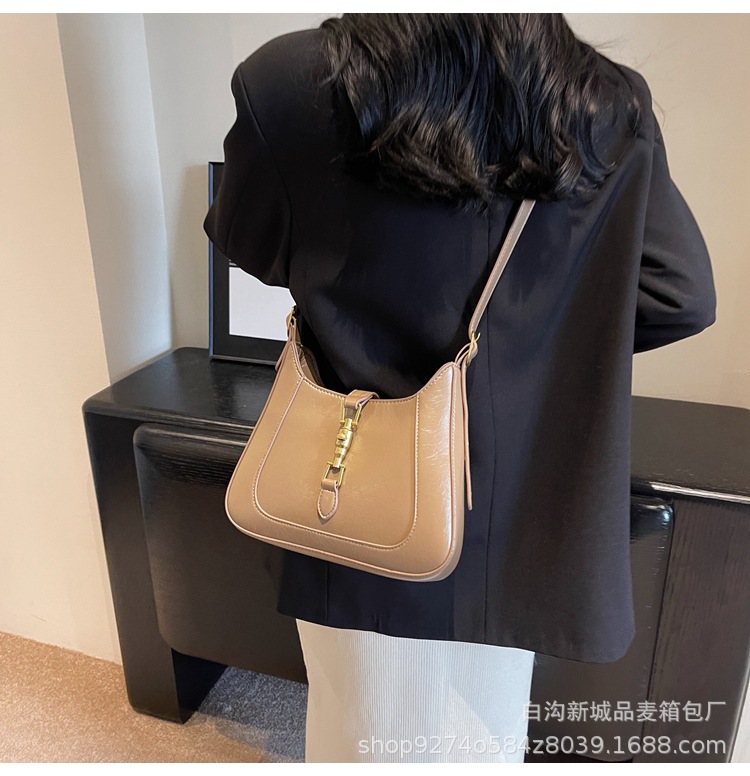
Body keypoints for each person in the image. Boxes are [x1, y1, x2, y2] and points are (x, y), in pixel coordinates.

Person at [203, 14, 717, 763]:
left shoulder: (285, 80)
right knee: (485, 736)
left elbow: (247, 240)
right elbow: (680, 295)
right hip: (520, 513)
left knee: (356, 723)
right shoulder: (602, 103)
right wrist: (551, 340)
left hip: (351, 488)